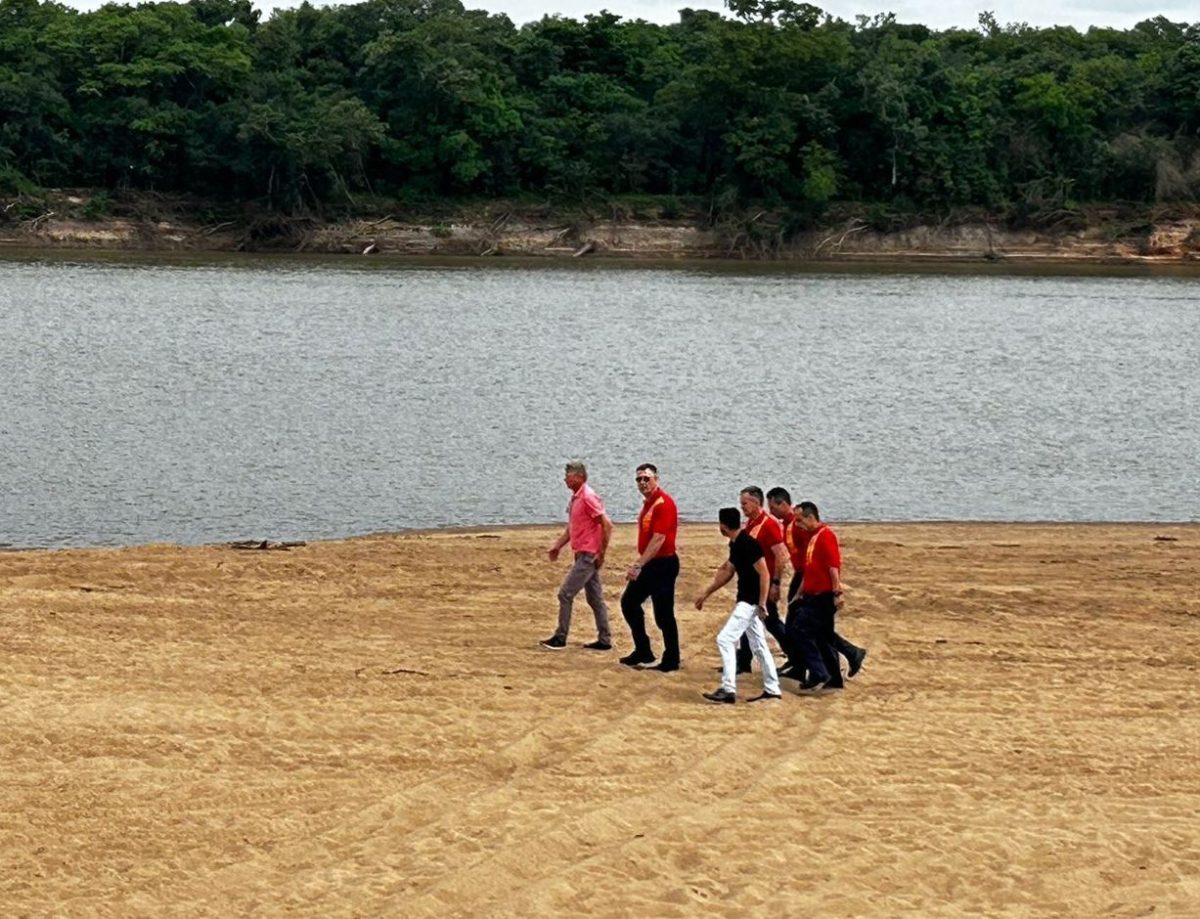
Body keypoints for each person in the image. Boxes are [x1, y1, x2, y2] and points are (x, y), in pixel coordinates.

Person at [767, 488, 866, 679]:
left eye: (772, 507)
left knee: (805, 627)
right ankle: (815, 666)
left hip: (810, 578)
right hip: (804, 576)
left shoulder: (803, 527)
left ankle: (817, 667)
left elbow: (825, 562)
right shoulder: (790, 524)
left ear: (782, 504)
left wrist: (835, 591)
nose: (771, 512)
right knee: (816, 628)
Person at [696, 507, 781, 704]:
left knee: (724, 640)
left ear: (723, 526)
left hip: (750, 602)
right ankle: (772, 688)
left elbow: (765, 573)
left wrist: (761, 603)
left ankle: (728, 689)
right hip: (748, 601)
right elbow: (728, 571)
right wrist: (706, 593)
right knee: (759, 645)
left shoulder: (748, 544)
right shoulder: (736, 544)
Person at [541, 461, 614, 651]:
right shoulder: (576, 497)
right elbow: (572, 528)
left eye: (569, 475)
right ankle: (604, 639)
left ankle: (560, 637)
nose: (565, 478)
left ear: (580, 477)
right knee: (595, 599)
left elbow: (607, 525)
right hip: (582, 554)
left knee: (565, 594)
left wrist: (601, 553)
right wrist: (557, 546)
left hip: (589, 556)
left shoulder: (588, 497)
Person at [620, 463, 681, 671]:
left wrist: (638, 565)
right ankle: (643, 650)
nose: (643, 483)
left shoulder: (664, 503)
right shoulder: (648, 503)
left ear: (656, 479)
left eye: (647, 478)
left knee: (663, 614)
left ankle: (672, 658)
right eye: (639, 479)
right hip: (651, 564)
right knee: (629, 602)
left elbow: (658, 540)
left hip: (663, 564)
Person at [785, 501, 849, 691]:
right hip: (811, 593)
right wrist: (799, 593)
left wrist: (838, 592)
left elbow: (833, 566)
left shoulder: (825, 535)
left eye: (799, 520)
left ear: (810, 517)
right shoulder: (813, 537)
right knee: (823, 636)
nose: (797, 524)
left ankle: (819, 671)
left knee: (800, 629)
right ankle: (836, 676)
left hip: (823, 595)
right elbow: (809, 569)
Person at [734, 486, 788, 673]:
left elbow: (781, 556)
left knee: (771, 621)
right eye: (741, 504)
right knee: (746, 619)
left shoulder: (768, 524)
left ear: (756, 503)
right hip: (750, 581)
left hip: (762, 582)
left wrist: (775, 583)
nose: (742, 508)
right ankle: (743, 661)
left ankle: (796, 654)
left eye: (745, 504)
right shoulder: (750, 524)